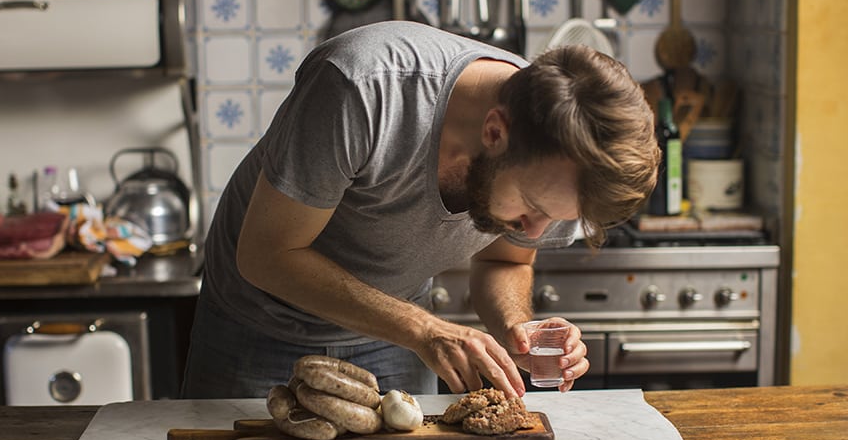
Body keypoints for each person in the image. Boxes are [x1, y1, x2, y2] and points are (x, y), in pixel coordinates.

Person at [182, 21, 658, 400]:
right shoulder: (363, 88)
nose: (535, 231)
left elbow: (503, 261)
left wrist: (519, 331)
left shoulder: (562, 155)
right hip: (254, 326)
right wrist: (425, 329)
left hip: (394, 340)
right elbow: (266, 255)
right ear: (494, 132)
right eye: (532, 208)